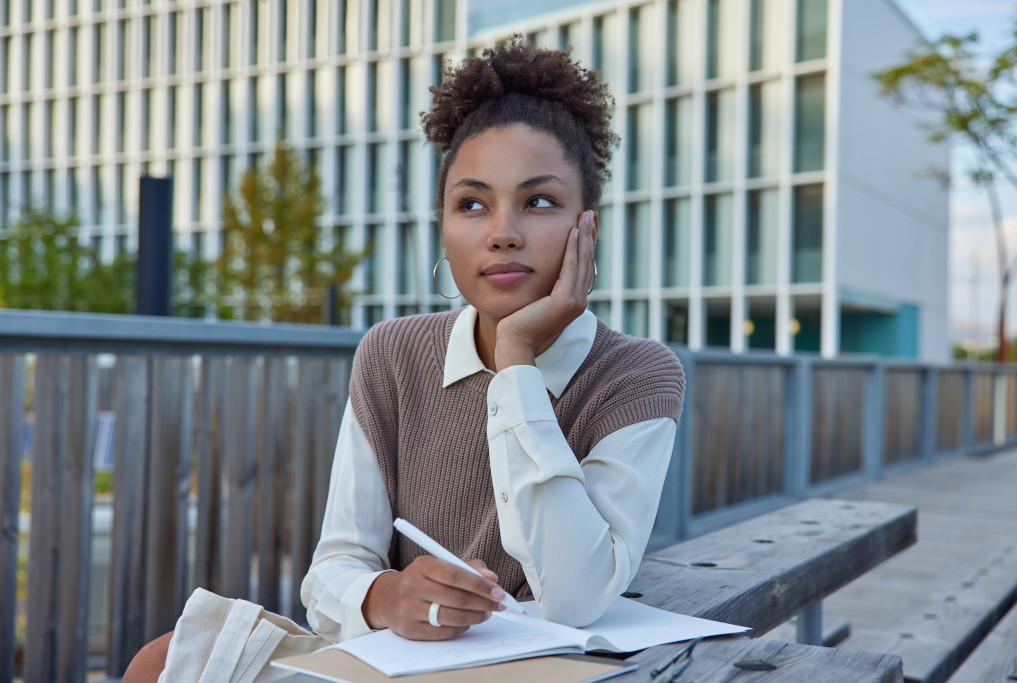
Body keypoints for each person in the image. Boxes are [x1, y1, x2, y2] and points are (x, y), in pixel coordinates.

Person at [123, 35, 684, 682]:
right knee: (162, 661)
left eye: (538, 201)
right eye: (471, 203)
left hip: (538, 666)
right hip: (398, 656)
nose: (502, 230)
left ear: (589, 227)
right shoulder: (392, 354)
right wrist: (387, 596)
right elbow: (334, 566)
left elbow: (576, 596)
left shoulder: (639, 373)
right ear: (443, 226)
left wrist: (518, 362)